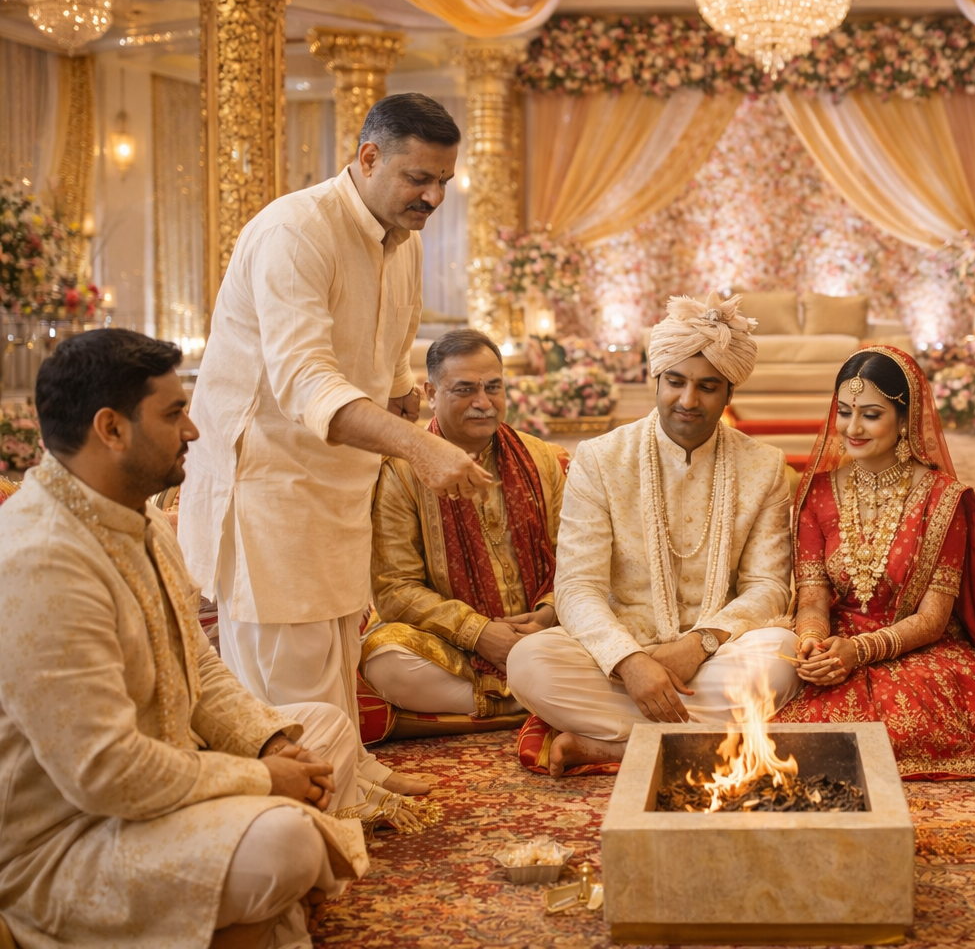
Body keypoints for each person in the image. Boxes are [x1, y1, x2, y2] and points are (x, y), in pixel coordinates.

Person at [0, 330, 370, 949]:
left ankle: (256, 913)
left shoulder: (136, 515)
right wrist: (262, 779)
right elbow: (106, 774)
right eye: (174, 413)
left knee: (322, 729)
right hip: (72, 840)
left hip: (166, 782)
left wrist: (269, 741)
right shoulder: (43, 561)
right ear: (111, 429)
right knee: (287, 841)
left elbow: (197, 662)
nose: (194, 430)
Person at [178, 93, 488, 819]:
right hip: (269, 485)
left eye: (443, 180)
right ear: (368, 156)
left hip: (340, 484)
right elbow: (304, 381)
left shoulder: (400, 241)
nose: (434, 196)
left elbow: (387, 366)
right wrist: (419, 449)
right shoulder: (295, 232)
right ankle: (312, 807)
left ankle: (353, 774)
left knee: (338, 647)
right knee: (285, 672)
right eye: (419, 177)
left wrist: (412, 404)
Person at [507, 293, 800, 777]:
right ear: (655, 380)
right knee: (529, 662)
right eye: (675, 382)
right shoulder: (600, 459)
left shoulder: (763, 465)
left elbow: (768, 586)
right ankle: (700, 739)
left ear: (730, 394)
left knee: (781, 659)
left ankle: (613, 747)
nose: (688, 401)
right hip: (625, 652)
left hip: (719, 651)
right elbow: (577, 586)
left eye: (708, 387)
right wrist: (629, 662)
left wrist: (700, 643)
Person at [776, 347, 975, 777]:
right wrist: (813, 642)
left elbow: (934, 619)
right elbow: (811, 595)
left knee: (901, 722)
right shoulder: (819, 492)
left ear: (905, 419)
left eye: (870, 414)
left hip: (915, 648)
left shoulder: (944, 499)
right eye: (844, 411)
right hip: (835, 643)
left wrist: (861, 651)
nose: (852, 427)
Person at [362, 328, 563, 722]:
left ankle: (524, 696)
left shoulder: (542, 458)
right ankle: (529, 700)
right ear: (431, 394)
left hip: (543, 635)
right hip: (453, 645)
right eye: (465, 390)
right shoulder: (401, 471)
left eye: (493, 388)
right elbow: (395, 589)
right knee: (386, 661)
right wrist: (479, 633)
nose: (483, 403)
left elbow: (575, 559)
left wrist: (549, 614)